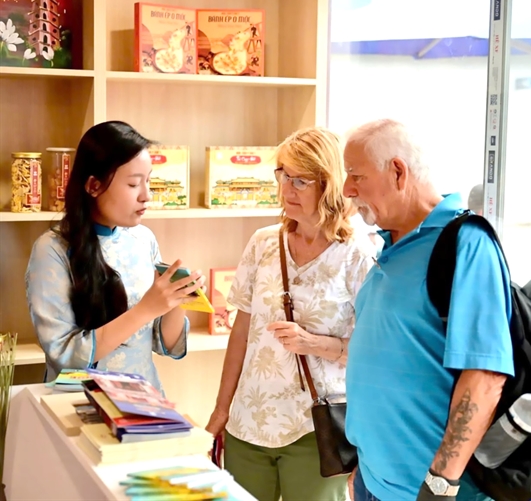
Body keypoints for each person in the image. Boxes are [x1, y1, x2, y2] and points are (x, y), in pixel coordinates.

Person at [342, 119, 513, 501]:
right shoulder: (389, 245)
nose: (346, 189)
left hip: (429, 492)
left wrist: (440, 483)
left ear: (398, 172)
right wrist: (366, 465)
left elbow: (485, 376)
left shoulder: (466, 244)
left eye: (356, 175)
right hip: (374, 481)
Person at [205, 127, 375, 501]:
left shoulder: (358, 256)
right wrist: (221, 411)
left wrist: (314, 343)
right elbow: (241, 333)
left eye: (300, 180)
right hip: (248, 424)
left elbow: (373, 353)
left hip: (316, 430)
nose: (286, 190)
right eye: (282, 175)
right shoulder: (263, 243)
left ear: (329, 184)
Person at [25, 121, 205, 392]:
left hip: (142, 400)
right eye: (133, 184)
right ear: (93, 186)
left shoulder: (143, 239)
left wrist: (177, 298)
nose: (147, 195)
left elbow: (165, 344)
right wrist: (146, 309)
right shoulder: (51, 249)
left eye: (149, 181)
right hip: (79, 402)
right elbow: (64, 355)